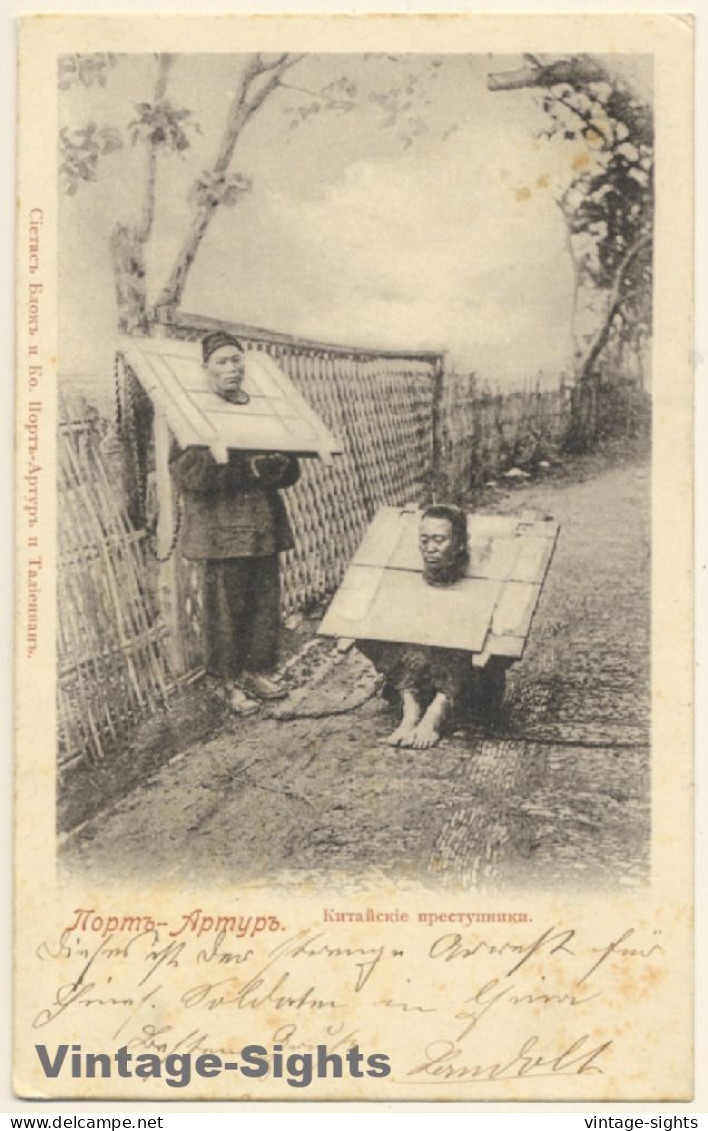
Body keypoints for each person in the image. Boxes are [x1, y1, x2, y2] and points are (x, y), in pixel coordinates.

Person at [169, 331, 300, 714]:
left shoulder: (262, 410)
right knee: (224, 611)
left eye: (237, 360)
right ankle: (224, 682)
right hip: (221, 532)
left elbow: (291, 468)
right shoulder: (190, 413)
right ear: (205, 369)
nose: (232, 369)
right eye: (222, 362)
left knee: (263, 603)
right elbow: (188, 473)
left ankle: (256, 671)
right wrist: (248, 468)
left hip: (261, 526)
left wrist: (278, 466)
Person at [357, 504, 472, 749]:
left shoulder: (474, 582)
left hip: (470, 677)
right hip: (419, 664)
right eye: (425, 540)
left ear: (460, 543)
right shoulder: (405, 578)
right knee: (369, 630)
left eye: (439, 540)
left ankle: (435, 715)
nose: (430, 548)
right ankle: (411, 709)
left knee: (464, 631)